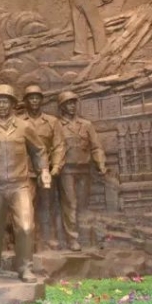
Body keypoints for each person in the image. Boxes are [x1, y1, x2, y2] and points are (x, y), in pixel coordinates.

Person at [0, 85, 52, 282]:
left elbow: (39, 150)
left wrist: (44, 170)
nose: (2, 105)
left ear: (13, 104)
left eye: (6, 101)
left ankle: (25, 267)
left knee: (25, 227)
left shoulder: (24, 127)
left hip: (19, 186)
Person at [56, 91, 107, 251]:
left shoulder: (86, 125)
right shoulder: (57, 125)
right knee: (70, 203)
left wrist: (100, 163)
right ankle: (72, 238)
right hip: (66, 170)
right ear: (62, 107)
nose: (72, 106)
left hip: (84, 170)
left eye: (73, 103)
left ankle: (84, 234)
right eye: (68, 104)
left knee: (82, 204)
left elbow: (96, 147)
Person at [18, 85, 65, 250]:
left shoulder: (52, 122)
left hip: (46, 170)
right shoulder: (18, 122)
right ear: (25, 101)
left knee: (48, 204)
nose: (34, 101)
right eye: (31, 98)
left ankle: (50, 236)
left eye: (37, 98)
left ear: (41, 100)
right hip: (25, 171)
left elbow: (59, 145)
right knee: (26, 207)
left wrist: (56, 166)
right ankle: (31, 239)